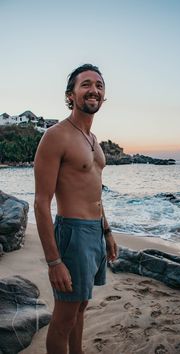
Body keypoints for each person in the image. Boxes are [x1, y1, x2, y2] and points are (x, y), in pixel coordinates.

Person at [34, 64, 118, 354]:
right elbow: (41, 202)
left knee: (81, 304)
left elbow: (96, 191)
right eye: (86, 84)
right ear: (71, 95)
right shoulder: (55, 136)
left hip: (94, 232)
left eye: (99, 85)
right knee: (64, 317)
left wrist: (106, 232)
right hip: (72, 233)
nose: (94, 89)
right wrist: (54, 261)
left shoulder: (94, 140)